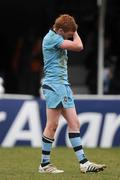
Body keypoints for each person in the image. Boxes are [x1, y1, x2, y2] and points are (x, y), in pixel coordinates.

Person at [38, 14, 106, 174]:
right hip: (54, 85)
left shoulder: (58, 35)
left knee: (74, 123)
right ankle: (44, 164)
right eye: (67, 34)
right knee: (52, 125)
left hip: (63, 85)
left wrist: (72, 30)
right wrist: (74, 32)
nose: (70, 37)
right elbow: (79, 46)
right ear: (60, 30)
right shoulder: (52, 38)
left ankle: (83, 163)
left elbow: (76, 44)